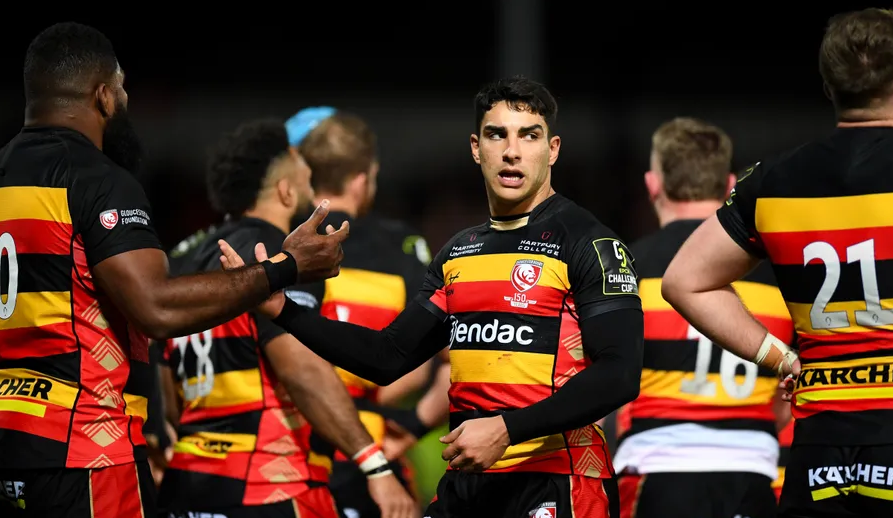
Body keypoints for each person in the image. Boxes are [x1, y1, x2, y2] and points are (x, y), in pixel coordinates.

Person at [221, 76, 645, 518]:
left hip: (558, 483)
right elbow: (386, 356)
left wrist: (507, 428)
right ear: (476, 148)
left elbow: (620, 373)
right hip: (468, 487)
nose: (512, 151)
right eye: (496, 135)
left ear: (552, 149)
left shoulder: (589, 243)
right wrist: (283, 309)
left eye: (529, 136)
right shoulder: (459, 252)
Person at [0, 22, 346, 518]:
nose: (126, 99)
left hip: (13, 440)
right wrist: (285, 268)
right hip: (86, 449)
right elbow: (156, 308)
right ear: (102, 95)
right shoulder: (99, 180)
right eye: (122, 88)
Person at [661, 9, 893, 518]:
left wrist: (784, 359)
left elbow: (684, 282)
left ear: (830, 88)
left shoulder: (775, 181)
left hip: (818, 450)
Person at [156, 119, 416, 518]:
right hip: (269, 486)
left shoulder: (185, 258)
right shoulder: (277, 257)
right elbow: (300, 366)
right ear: (285, 190)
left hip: (188, 484)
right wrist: (374, 464)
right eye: (307, 180)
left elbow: (164, 381)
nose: (313, 190)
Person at [611, 117, 796, 518]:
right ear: (730, 185)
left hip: (654, 473)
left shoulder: (625, 270)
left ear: (653, 185)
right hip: (753, 478)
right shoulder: (779, 277)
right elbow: (791, 393)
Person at [286, 107, 451, 518]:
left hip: (290, 455)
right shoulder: (403, 247)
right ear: (362, 178)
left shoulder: (279, 239)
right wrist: (412, 424)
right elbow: (448, 354)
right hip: (375, 452)